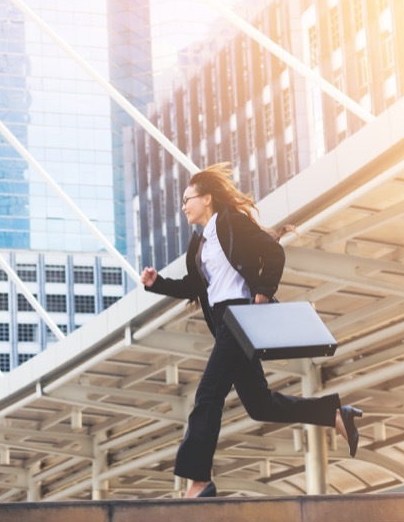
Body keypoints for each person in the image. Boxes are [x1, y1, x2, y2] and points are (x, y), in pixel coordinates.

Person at [141, 163, 362, 499]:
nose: (184, 206)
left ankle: (198, 481)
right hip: (227, 323)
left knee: (207, 395)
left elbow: (272, 251)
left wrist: (262, 288)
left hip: (241, 316)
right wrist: (157, 284)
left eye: (189, 199)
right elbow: (194, 287)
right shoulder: (198, 244)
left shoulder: (231, 224)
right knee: (260, 405)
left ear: (208, 199)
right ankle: (333, 414)